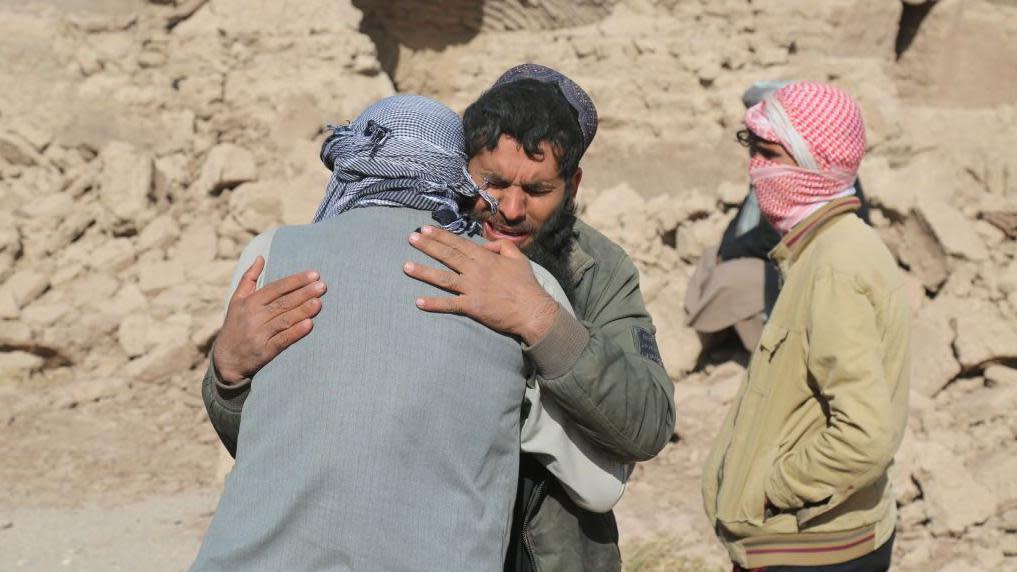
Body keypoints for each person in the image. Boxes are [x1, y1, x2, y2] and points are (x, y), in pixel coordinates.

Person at [203, 65, 676, 572]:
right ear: (457, 165)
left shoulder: (595, 272)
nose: (510, 209)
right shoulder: (391, 246)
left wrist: (543, 322)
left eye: (537, 191)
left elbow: (645, 426)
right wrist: (228, 374)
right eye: (492, 182)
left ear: (573, 183)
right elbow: (283, 435)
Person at [700, 81, 910, 572]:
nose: (756, 168)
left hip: (811, 550)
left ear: (814, 161)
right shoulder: (819, 248)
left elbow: (865, 434)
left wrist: (771, 489)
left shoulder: (836, 265)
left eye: (770, 154)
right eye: (752, 150)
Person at [685, 80, 871, 353]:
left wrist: (733, 252)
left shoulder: (821, 183)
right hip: (769, 260)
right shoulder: (772, 170)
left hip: (782, 269)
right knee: (711, 260)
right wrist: (726, 249)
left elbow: (776, 237)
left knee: (732, 280)